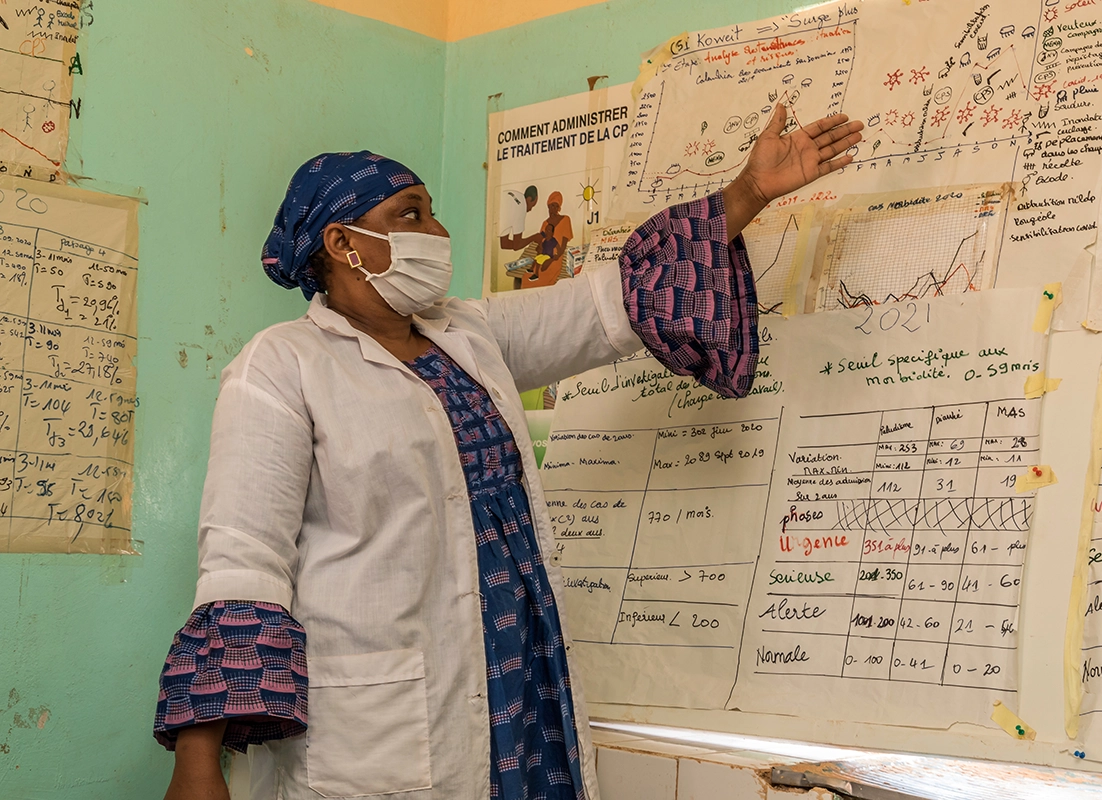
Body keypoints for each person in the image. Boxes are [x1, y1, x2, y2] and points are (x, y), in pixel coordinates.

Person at [154, 105, 862, 800]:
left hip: (520, 686)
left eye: (433, 211)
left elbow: (608, 303)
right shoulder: (281, 366)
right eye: (410, 214)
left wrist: (748, 194)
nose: (438, 230)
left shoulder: (469, 333)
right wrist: (197, 764)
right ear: (343, 245)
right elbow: (242, 561)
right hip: (383, 721)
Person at [527, 191, 573, 287]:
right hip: (543, 254)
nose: (555, 209)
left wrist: (554, 258)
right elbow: (541, 241)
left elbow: (563, 244)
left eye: (557, 206)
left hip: (555, 258)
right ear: (548, 206)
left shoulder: (565, 220)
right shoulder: (545, 223)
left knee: (545, 275)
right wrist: (539, 249)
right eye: (552, 205)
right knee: (527, 278)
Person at [498, 185, 542, 251]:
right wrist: (534, 237)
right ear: (529, 199)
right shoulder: (521, 207)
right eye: (532, 205)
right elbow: (517, 246)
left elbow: (504, 244)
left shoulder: (515, 195)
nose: (530, 209)